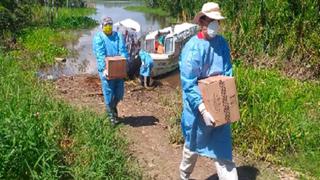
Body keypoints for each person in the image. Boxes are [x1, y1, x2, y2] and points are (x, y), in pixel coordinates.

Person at [178, 2, 238, 180]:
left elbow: (227, 72)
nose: (215, 25)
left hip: (219, 107)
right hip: (197, 112)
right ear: (202, 21)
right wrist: (203, 108)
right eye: (211, 20)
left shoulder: (222, 43)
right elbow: (189, 83)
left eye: (217, 21)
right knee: (192, 147)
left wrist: (225, 100)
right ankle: (184, 175)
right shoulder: (193, 48)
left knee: (223, 151)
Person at [92, 17, 128, 126]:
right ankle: (111, 116)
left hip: (118, 70)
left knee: (119, 93)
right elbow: (100, 54)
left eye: (110, 24)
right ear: (102, 26)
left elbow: (123, 50)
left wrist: (123, 62)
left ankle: (113, 108)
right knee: (108, 93)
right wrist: (104, 69)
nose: (108, 26)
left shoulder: (117, 36)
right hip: (106, 71)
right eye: (106, 24)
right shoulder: (99, 37)